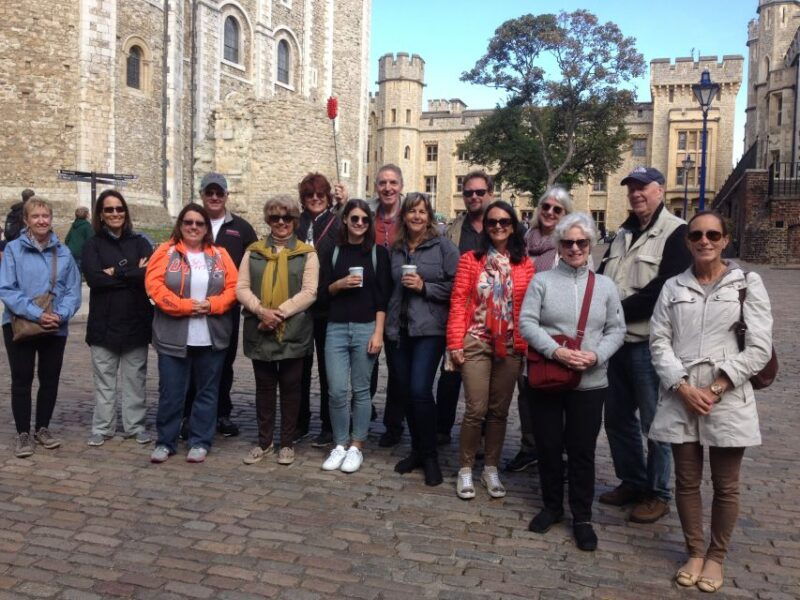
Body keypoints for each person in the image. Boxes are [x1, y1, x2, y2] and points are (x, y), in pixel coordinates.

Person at [649, 211, 773, 592]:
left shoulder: (746, 284)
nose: (705, 241)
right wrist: (682, 386)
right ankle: (695, 551)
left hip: (727, 395)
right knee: (687, 481)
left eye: (712, 235)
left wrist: (717, 386)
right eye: (697, 234)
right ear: (688, 241)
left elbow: (759, 348)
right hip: (682, 394)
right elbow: (659, 341)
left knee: (726, 484)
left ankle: (716, 557)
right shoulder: (673, 286)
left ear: (725, 240)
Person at [519, 213, 625, 551]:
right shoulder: (543, 282)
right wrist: (556, 352)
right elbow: (527, 323)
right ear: (559, 246)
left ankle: (582, 515)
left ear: (590, 244)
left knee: (582, 451)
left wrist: (596, 356)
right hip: (549, 376)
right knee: (548, 446)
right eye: (568, 242)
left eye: (581, 242)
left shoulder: (605, 286)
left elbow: (616, 329)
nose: (575, 247)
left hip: (590, 382)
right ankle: (552, 506)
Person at [597, 166, 692, 523]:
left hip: (647, 344)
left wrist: (612, 313)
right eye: (632, 188)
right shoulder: (622, 232)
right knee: (617, 419)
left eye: (643, 188)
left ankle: (658, 492)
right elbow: (605, 277)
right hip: (616, 344)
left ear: (660, 190)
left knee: (656, 424)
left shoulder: (676, 232)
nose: (636, 194)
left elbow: (663, 289)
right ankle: (632, 481)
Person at [447, 200, 535, 500]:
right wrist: (454, 343)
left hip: (510, 345)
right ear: (485, 227)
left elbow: (528, 308)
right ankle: (466, 468)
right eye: (492, 222)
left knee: (498, 412)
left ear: (513, 226)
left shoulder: (524, 264)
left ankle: (491, 468)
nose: (498, 226)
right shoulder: (472, 260)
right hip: (477, 340)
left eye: (504, 222)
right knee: (476, 409)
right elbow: (459, 302)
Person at [145, 203, 238, 463]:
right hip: (173, 335)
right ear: (181, 225)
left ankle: (200, 440)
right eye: (189, 222)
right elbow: (154, 287)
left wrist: (212, 305)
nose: (194, 227)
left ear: (206, 228)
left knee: (207, 392)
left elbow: (233, 287)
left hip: (211, 335)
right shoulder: (166, 251)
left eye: (199, 223)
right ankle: (166, 441)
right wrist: (185, 307)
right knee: (172, 392)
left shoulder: (220, 254)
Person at [236, 196, 319, 466]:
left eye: (286, 217)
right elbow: (242, 287)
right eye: (274, 218)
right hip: (260, 328)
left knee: (292, 389)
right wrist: (262, 311)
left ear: (295, 221)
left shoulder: (307, 253)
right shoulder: (254, 251)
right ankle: (264, 441)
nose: (280, 222)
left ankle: (287, 442)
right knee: (264, 388)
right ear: (268, 221)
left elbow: (309, 292)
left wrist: (279, 313)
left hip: (293, 329)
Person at [386, 193, 459, 486]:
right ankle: (416, 450)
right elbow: (389, 289)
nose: (416, 216)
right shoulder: (397, 248)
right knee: (404, 392)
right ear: (404, 216)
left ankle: (430, 456)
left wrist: (425, 287)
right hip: (399, 329)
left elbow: (457, 288)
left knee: (419, 390)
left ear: (429, 216)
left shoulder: (443, 247)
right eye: (411, 211)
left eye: (421, 211)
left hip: (429, 329)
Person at [0, 197, 81, 458]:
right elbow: (7, 289)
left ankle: (42, 428)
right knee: (22, 380)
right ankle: (23, 433)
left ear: (51, 218)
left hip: (55, 324)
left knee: (50, 379)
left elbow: (73, 290)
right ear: (26, 220)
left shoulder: (64, 252)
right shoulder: (13, 250)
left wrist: (60, 314)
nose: (41, 221)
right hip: (20, 323)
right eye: (35, 216)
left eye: (45, 216)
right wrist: (37, 314)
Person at [317, 199, 391, 474]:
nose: (359, 223)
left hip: (365, 327)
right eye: (354, 218)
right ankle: (339, 443)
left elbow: (382, 298)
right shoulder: (333, 251)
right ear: (345, 219)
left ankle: (356, 445)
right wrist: (338, 284)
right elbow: (321, 292)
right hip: (335, 327)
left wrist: (378, 333)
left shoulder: (377, 254)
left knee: (361, 391)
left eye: (364, 220)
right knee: (335, 390)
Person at [506, 186, 575, 473]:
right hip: (521, 325)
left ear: (565, 214)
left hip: (552, 329)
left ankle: (559, 453)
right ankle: (530, 446)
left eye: (557, 209)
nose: (549, 213)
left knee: (556, 389)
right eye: (545, 207)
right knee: (526, 390)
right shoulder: (524, 240)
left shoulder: (568, 244)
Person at [183, 173, 257, 438]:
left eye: (219, 193)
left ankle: (221, 412)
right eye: (209, 193)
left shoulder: (242, 228)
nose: (214, 198)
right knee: (191, 361)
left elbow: (253, 265)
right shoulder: (191, 223)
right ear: (202, 194)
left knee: (223, 363)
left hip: (226, 309)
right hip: (192, 306)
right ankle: (189, 414)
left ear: (226, 196)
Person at [82, 190, 154, 446]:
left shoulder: (140, 242)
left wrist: (116, 272)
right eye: (109, 209)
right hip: (104, 323)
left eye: (119, 209)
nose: (115, 214)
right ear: (101, 214)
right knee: (105, 382)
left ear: (126, 212)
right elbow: (94, 279)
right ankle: (102, 428)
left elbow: (148, 275)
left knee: (135, 380)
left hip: (135, 321)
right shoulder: (92, 244)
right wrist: (131, 272)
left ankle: (135, 426)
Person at [437, 171, 494, 445]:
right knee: (449, 375)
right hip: (459, 313)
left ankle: (481, 434)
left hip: (491, 317)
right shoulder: (453, 231)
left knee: (485, 379)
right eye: (468, 192)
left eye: (479, 192)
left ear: (490, 194)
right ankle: (441, 429)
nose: (473, 197)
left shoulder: (501, 226)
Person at [295, 173, 343, 447]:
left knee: (328, 370)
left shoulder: (336, 224)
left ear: (327, 196)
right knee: (299, 368)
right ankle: (299, 420)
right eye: (310, 195)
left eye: (320, 194)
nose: (315, 198)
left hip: (328, 306)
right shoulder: (295, 224)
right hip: (301, 307)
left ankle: (328, 423)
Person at [372, 164, 405, 447]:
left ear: (401, 186)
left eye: (393, 182)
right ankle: (364, 407)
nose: (388, 188)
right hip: (369, 298)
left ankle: (393, 424)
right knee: (367, 363)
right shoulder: (368, 217)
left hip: (400, 302)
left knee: (396, 369)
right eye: (383, 183)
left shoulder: (410, 217)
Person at [65, 206, 93, 272]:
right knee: (78, 273)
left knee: (72, 273)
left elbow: (67, 239)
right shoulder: (87, 226)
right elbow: (91, 241)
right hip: (80, 253)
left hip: (70, 252)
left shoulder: (74, 225)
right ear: (87, 215)